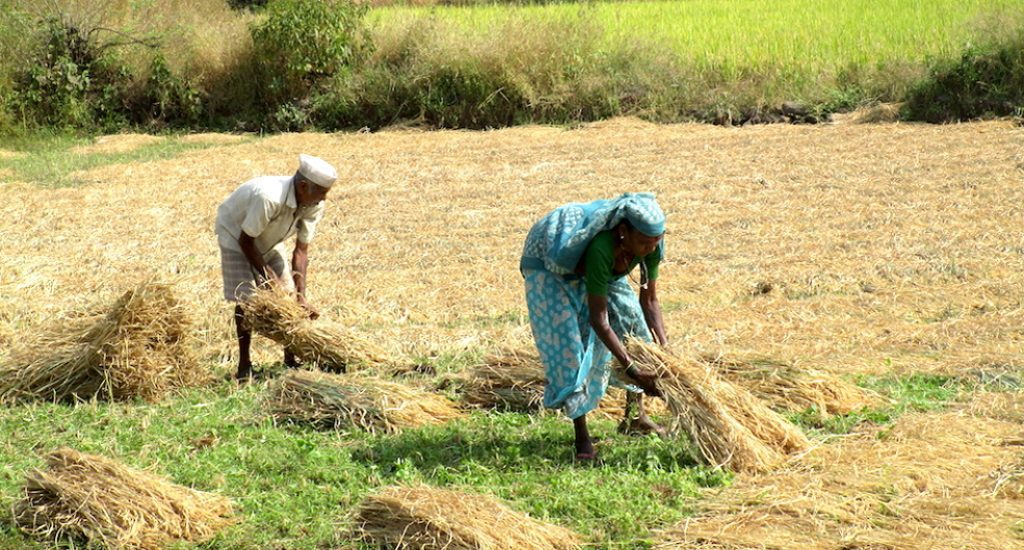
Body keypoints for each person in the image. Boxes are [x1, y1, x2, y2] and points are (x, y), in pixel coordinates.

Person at [520, 192, 668, 461]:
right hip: (549, 266)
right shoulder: (602, 248)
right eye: (645, 242)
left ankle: (636, 418)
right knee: (568, 348)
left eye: (656, 241)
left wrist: (665, 352)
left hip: (603, 264)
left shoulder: (651, 245)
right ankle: (582, 439)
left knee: (635, 331)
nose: (650, 248)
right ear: (623, 232)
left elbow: (649, 301)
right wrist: (632, 370)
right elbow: (598, 320)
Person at [215, 154, 336, 381]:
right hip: (235, 236)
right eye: (321, 193)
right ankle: (244, 366)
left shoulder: (313, 203)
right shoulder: (268, 197)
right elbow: (246, 242)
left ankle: (290, 359)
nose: (323, 199)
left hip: (269, 240)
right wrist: (271, 281)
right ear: (303, 186)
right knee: (247, 299)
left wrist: (300, 297)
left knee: (288, 295)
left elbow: (301, 251)